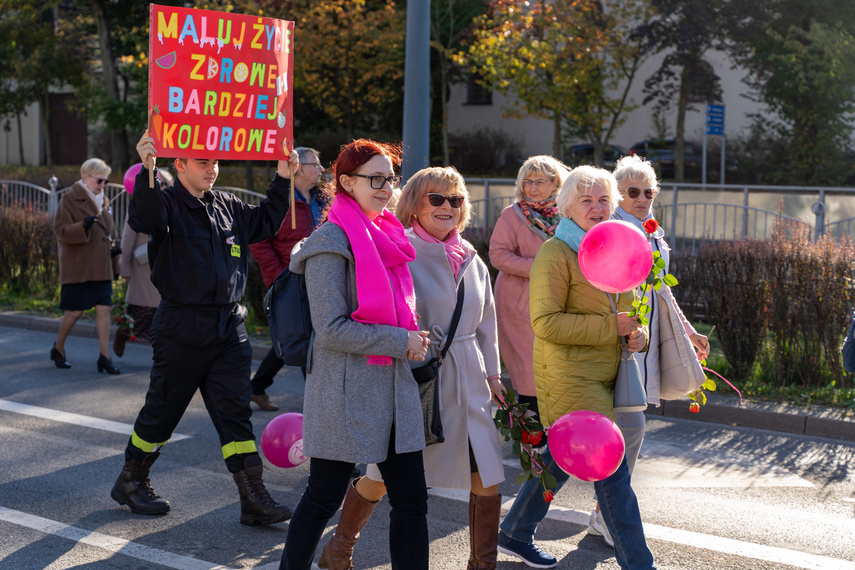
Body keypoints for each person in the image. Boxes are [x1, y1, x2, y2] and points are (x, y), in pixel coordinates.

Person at [318, 166, 505, 570]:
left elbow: (487, 322)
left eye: (455, 199)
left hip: (469, 379)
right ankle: (339, 547)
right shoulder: (397, 248)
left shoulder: (471, 257)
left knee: (487, 473)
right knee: (382, 477)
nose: (447, 206)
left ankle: (483, 565)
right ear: (414, 206)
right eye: (435, 198)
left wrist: (493, 374)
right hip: (417, 378)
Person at [109, 131, 298, 526]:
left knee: (236, 417)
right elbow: (142, 217)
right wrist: (147, 169)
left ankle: (253, 497)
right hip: (182, 325)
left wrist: (283, 177)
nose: (212, 169)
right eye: (202, 162)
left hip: (229, 326)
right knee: (163, 413)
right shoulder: (164, 205)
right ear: (179, 165)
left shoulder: (227, 205)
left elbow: (265, 222)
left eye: (215, 163)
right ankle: (131, 479)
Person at [279, 139, 431, 570]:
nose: (386, 187)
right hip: (345, 393)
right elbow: (331, 329)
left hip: (393, 391)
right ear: (346, 182)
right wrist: (399, 341)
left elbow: (393, 313)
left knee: (412, 503)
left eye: (390, 178)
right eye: (375, 178)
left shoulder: (388, 236)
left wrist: (407, 334)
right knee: (323, 498)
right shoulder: (329, 241)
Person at [498, 165, 656, 569]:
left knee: (559, 457)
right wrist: (612, 327)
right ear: (568, 207)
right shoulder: (556, 252)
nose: (597, 207)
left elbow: (628, 315)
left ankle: (514, 531)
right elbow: (545, 323)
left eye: (604, 199)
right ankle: (640, 564)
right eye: (586, 200)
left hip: (607, 373)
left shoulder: (614, 246)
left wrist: (637, 336)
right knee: (611, 471)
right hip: (569, 375)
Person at [578, 155, 711, 545]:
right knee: (627, 430)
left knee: (626, 431)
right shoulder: (611, 228)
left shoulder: (652, 230)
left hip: (643, 343)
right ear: (618, 193)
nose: (641, 198)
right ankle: (606, 513)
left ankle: (600, 513)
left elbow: (660, 288)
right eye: (632, 191)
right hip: (620, 344)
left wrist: (687, 330)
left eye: (648, 192)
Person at [248, 146, 331, 411]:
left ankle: (255, 387)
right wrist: (279, 277)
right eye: (315, 163)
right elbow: (260, 242)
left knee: (293, 336)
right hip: (290, 282)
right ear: (297, 168)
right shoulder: (279, 201)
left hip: (321, 280)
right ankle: (320, 405)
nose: (321, 169)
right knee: (304, 338)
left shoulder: (326, 199)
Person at [489, 155, 567, 433]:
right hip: (519, 302)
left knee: (557, 372)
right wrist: (538, 268)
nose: (532, 187)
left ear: (556, 183)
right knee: (530, 373)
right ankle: (531, 442)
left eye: (539, 181)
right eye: (527, 181)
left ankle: (555, 437)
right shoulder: (513, 214)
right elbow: (497, 254)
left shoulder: (567, 212)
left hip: (558, 301)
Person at [50, 158, 121, 374]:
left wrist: (114, 247)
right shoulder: (69, 199)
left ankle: (105, 357)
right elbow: (60, 230)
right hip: (80, 267)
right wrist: (82, 226)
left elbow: (109, 231)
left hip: (101, 266)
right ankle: (58, 347)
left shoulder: (103, 199)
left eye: (105, 181)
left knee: (103, 309)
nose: (102, 185)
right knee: (75, 312)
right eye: (99, 180)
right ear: (86, 177)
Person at [113, 219, 161, 356]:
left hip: (163, 263)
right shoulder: (139, 203)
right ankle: (123, 333)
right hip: (144, 263)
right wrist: (125, 268)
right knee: (141, 311)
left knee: (161, 314)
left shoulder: (171, 200)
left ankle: (160, 354)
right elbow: (127, 239)